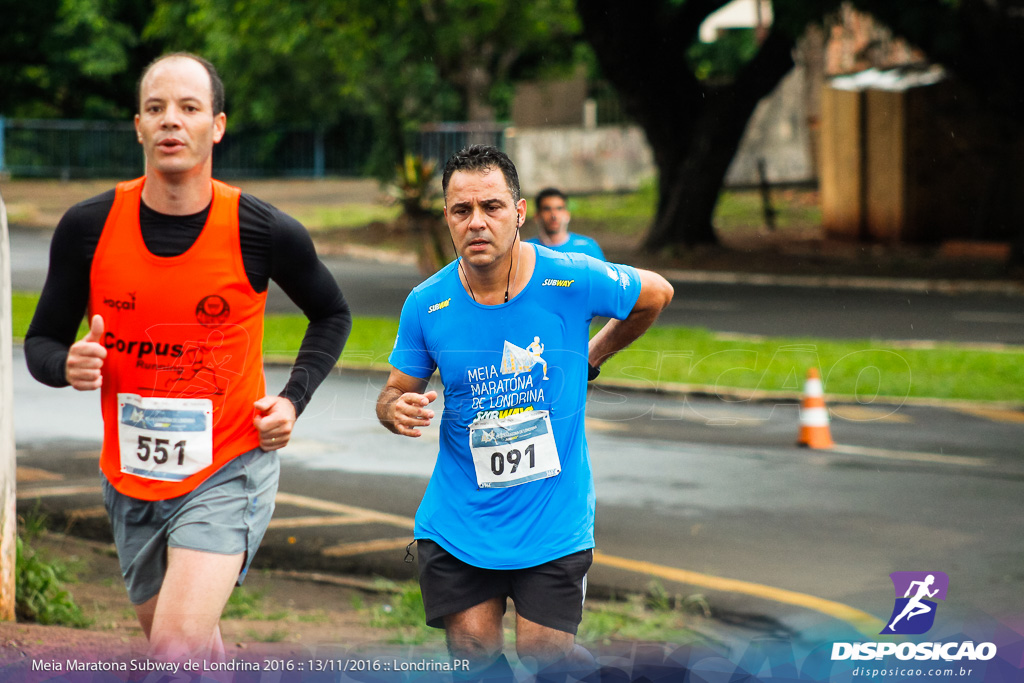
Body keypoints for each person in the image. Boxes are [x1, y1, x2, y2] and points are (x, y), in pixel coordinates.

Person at [24, 52, 352, 662]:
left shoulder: (261, 230)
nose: (171, 120)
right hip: (131, 476)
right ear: (138, 126)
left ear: (217, 126)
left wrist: (292, 399)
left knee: (174, 650)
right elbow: (39, 343)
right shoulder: (88, 227)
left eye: (188, 108)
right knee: (193, 652)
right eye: (156, 109)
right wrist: (65, 364)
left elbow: (332, 313)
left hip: (228, 467)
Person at [376, 145, 673, 680]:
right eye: (461, 210)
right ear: (447, 217)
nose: (477, 223)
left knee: (547, 658)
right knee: (473, 655)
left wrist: (592, 356)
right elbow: (395, 390)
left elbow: (655, 293)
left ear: (519, 212)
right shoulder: (427, 303)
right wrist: (396, 409)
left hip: (552, 520)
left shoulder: (570, 276)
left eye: (491, 207)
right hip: (459, 521)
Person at [525, 187, 605, 260]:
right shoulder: (527, 249)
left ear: (567, 214)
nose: (554, 215)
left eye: (559, 208)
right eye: (547, 209)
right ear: (537, 216)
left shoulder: (587, 247)